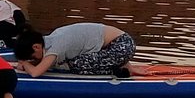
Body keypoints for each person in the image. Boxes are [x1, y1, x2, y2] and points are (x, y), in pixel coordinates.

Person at [13, 23, 147, 77]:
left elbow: (36, 73)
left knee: (76, 64)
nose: (35, 60)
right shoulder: (52, 38)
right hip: (118, 45)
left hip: (122, 46)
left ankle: (122, 68)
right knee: (76, 60)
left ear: (36, 46)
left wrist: (24, 63)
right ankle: (124, 64)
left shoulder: (57, 45)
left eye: (34, 57)